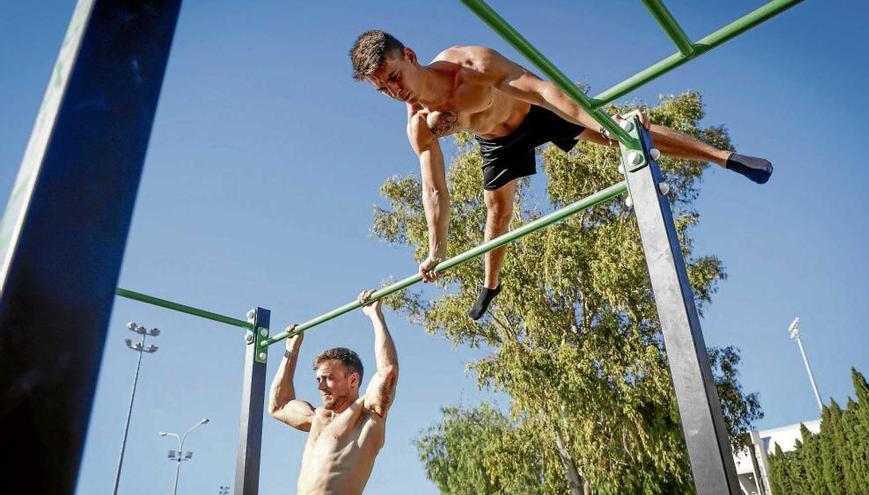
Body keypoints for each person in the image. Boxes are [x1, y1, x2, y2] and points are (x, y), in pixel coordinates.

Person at [349, 30, 773, 320]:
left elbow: (545, 90)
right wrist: (435, 248)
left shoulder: (473, 65)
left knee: (625, 134)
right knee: (496, 214)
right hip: (497, 143)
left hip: (533, 113)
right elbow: (434, 188)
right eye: (382, 89)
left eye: (393, 77)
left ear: (409, 57)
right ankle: (490, 286)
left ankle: (725, 157)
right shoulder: (419, 124)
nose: (394, 90)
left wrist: (602, 122)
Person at [268, 289, 398, 495]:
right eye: (319, 379)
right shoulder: (317, 417)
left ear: (353, 379)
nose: (321, 386)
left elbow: (388, 372)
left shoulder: (367, 415)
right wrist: (291, 350)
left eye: (328, 378)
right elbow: (279, 406)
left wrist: (375, 315)